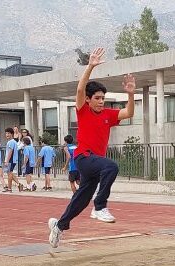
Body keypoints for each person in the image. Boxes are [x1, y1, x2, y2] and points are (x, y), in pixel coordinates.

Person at [48, 47, 136, 248]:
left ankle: (59, 226)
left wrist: (131, 94)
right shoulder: (83, 111)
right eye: (97, 98)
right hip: (84, 158)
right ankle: (100, 206)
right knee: (111, 167)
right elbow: (80, 90)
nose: (101, 101)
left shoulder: (108, 114)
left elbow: (129, 113)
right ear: (88, 100)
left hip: (94, 164)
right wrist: (90, 66)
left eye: (103, 98)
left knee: (81, 199)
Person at [3, 128, 24, 192]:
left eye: (8, 133)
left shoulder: (11, 142)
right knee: (10, 173)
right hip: (12, 160)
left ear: (12, 134)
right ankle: (19, 184)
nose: (7, 134)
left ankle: (9, 188)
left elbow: (10, 151)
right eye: (6, 133)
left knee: (9, 174)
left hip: (11, 160)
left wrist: (7, 160)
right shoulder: (12, 142)